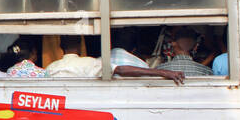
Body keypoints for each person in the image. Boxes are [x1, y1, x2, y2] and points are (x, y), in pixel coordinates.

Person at [45, 33, 185, 84]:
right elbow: (121, 70)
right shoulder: (90, 63)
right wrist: (163, 73)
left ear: (60, 45)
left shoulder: (50, 68)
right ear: (81, 45)